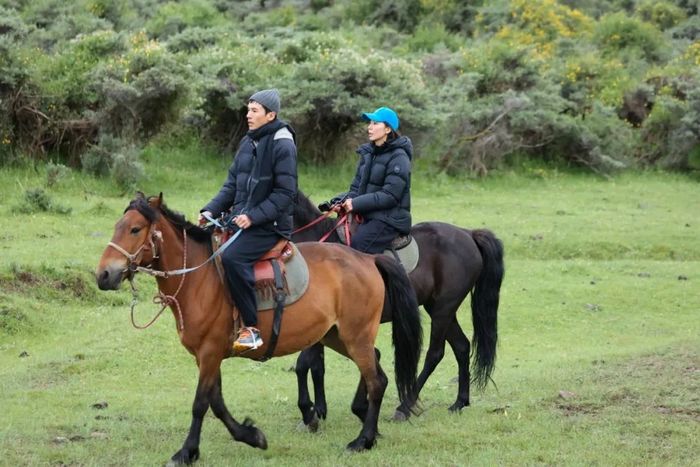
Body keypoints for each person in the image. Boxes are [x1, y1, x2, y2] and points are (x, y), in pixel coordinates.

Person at [199, 89, 297, 351]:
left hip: (270, 225)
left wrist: (252, 217)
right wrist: (210, 210)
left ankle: (251, 329)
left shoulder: (283, 144)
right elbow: (231, 185)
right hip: (241, 218)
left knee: (233, 257)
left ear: (271, 115)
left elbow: (285, 195)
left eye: (254, 111)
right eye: (248, 109)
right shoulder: (248, 142)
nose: (248, 115)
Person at [330, 106, 412, 254]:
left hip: (389, 219)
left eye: (375, 123)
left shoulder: (399, 157)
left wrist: (355, 204)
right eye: (370, 123)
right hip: (369, 214)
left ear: (387, 129)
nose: (370, 127)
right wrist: (338, 201)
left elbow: (390, 196)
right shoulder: (368, 154)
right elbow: (356, 189)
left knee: (357, 247)